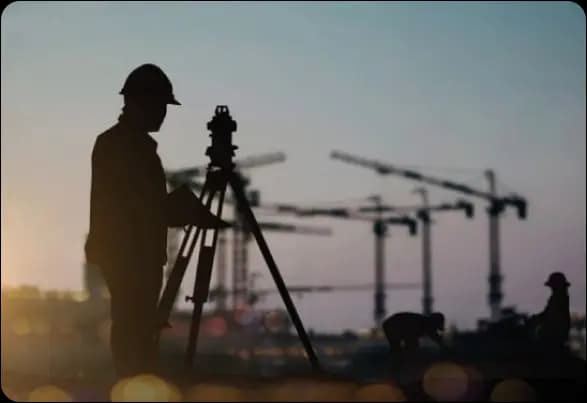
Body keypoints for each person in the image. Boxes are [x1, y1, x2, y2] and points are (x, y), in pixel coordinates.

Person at [85, 63, 228, 378]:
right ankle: (133, 381)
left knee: (140, 325)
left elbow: (139, 204)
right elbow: (132, 205)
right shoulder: (120, 145)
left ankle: (138, 378)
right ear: (141, 103)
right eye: (160, 106)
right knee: (133, 326)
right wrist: (178, 208)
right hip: (128, 254)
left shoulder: (133, 145)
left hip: (137, 253)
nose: (163, 113)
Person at [528, 272, 571, 352]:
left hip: (554, 336)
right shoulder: (559, 297)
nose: (552, 288)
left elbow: (550, 316)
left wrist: (535, 319)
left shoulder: (559, 298)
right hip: (556, 335)